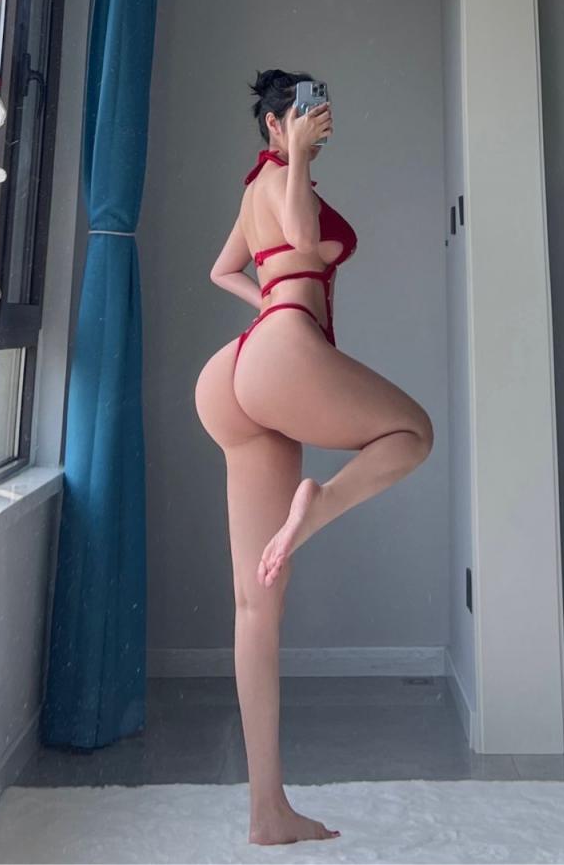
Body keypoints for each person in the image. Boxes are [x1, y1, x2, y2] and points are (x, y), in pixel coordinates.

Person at [194, 68, 434, 846]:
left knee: (256, 601)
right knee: (412, 433)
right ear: (273, 124)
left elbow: (224, 269)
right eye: (298, 111)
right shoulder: (277, 176)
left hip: (237, 369)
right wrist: (295, 157)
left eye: (318, 108)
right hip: (280, 352)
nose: (314, 118)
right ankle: (320, 502)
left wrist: (268, 299)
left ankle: (268, 809)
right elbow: (301, 240)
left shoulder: (254, 192)